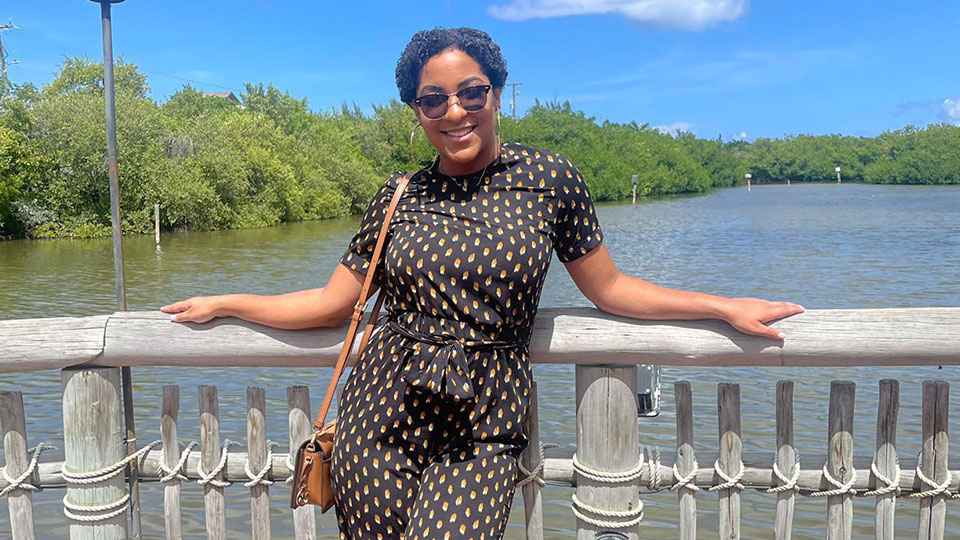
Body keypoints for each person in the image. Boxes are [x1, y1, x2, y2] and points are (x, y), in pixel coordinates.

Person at [162, 27, 803, 540]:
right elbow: (334, 304)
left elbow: (610, 289)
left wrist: (721, 306)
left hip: (486, 411)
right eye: (433, 99)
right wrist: (228, 301)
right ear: (416, 110)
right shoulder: (399, 195)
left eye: (471, 92)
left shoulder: (549, 179)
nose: (455, 111)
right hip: (381, 405)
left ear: (498, 93)